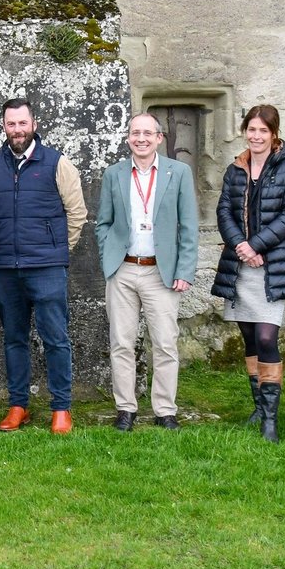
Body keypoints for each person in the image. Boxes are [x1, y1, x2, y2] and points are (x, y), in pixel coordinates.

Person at [0, 99, 88, 434]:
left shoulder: (57, 163)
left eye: (22, 123)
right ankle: (18, 406)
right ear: (4, 126)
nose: (17, 130)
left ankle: (61, 408)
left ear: (34, 124)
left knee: (56, 338)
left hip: (47, 268)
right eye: (11, 124)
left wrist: (57, 251)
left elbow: (77, 212)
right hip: (5, 269)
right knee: (14, 339)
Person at [95, 113, 199, 433]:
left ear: (158, 138)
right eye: (135, 133)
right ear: (128, 138)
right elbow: (103, 222)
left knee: (165, 343)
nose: (140, 138)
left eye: (147, 133)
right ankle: (125, 409)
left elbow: (188, 225)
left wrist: (184, 270)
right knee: (121, 343)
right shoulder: (114, 174)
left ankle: (165, 410)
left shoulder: (178, 172)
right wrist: (109, 259)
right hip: (123, 269)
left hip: (160, 272)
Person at [211, 106, 285, 443]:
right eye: (251, 129)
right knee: (249, 338)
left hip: (271, 265)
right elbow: (224, 210)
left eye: (263, 130)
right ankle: (259, 408)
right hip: (240, 265)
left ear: (274, 133)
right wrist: (241, 246)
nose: (256, 136)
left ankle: (270, 421)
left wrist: (256, 245)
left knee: (266, 338)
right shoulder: (236, 168)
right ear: (245, 131)